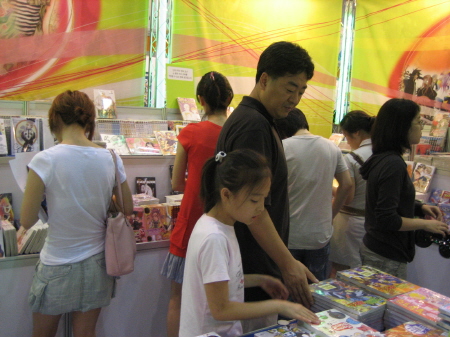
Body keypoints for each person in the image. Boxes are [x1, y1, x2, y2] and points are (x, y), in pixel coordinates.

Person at [215, 41, 317, 332]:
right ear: (264, 79)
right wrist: (287, 263)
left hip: (255, 263)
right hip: (253, 260)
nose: (295, 98)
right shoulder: (253, 126)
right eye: (289, 88)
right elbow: (253, 208)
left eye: (301, 91)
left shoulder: (259, 121)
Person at [20, 90, 133, 337]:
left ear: (55, 120)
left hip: (57, 263)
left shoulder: (44, 160)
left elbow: (27, 220)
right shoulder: (110, 157)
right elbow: (128, 208)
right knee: (86, 333)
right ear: (88, 120)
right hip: (97, 263)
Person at [179, 149, 320, 337]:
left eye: (264, 198)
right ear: (226, 195)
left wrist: (259, 280)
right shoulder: (214, 237)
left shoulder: (220, 226)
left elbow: (219, 283)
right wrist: (280, 306)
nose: (261, 208)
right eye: (254, 199)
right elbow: (221, 309)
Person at [161, 71, 234, 337]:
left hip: (190, 222)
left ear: (200, 100)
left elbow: (177, 182)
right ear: (229, 98)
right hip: (226, 224)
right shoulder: (236, 132)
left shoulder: (191, 132)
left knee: (178, 299)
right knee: (222, 298)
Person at [359, 98, 449, 279]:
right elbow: (387, 218)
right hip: (386, 253)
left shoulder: (385, 158)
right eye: (417, 121)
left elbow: (392, 199)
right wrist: (426, 224)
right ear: (402, 127)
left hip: (380, 248)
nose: (421, 126)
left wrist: (419, 207)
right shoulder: (393, 164)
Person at [275, 108, 352, 281]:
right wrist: (331, 214)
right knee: (317, 292)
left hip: (289, 234)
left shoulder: (282, 147)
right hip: (320, 234)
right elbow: (346, 185)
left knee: (289, 292)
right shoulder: (331, 147)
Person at [329, 110, 375, 276]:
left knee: (343, 273)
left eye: (346, 137)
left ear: (356, 133)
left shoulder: (352, 158)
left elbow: (347, 197)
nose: (347, 143)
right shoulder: (385, 154)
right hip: (374, 223)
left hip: (350, 222)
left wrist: (331, 189)